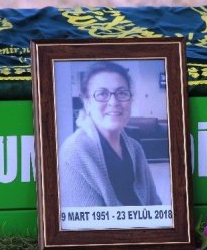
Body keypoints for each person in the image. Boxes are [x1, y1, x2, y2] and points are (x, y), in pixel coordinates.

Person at [59, 61, 162, 207]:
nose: (114, 102)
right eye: (102, 94)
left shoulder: (136, 148)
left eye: (122, 93)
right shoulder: (73, 153)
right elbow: (90, 220)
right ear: (87, 103)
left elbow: (155, 205)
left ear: (130, 100)